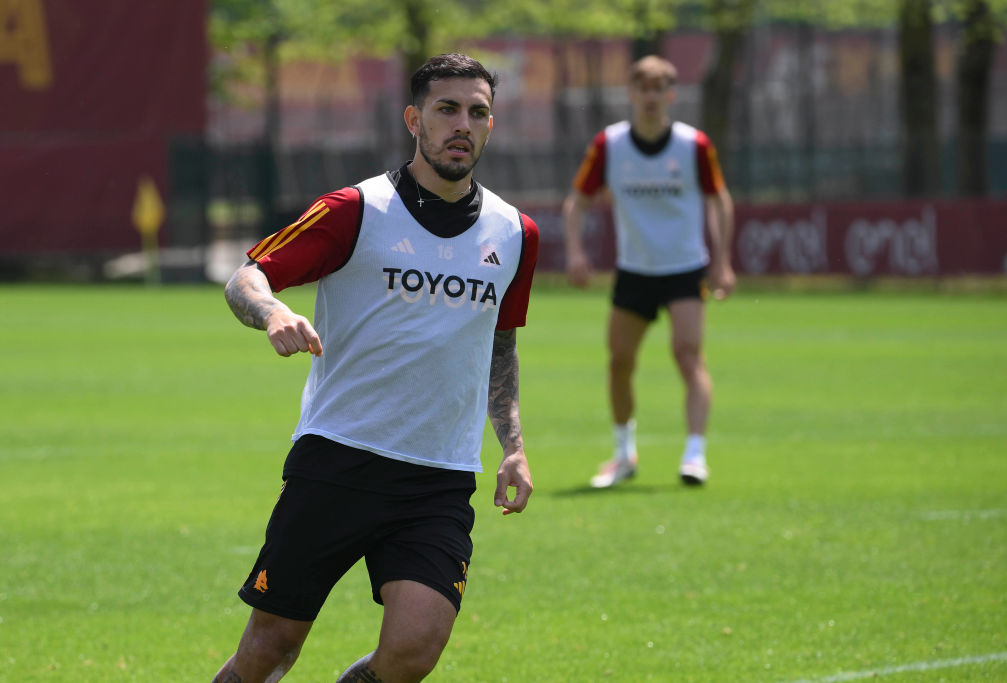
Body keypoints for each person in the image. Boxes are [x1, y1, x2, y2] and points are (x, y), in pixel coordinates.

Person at [213, 53, 538, 683]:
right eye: (447, 109)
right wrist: (272, 312)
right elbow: (244, 277)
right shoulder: (354, 210)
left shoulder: (516, 232)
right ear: (414, 118)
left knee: (414, 649)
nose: (462, 124)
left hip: (439, 477)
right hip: (339, 460)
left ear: (492, 126)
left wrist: (514, 445)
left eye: (477, 112)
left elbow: (500, 343)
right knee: (270, 650)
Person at [562, 55, 735, 489]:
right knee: (620, 361)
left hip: (684, 268)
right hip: (635, 270)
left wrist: (723, 260)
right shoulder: (610, 145)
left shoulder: (694, 145)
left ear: (671, 95)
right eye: (644, 88)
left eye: (660, 89)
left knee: (687, 354)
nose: (651, 97)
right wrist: (576, 252)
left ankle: (695, 455)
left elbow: (720, 200)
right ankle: (623, 454)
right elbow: (576, 202)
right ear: (631, 94)